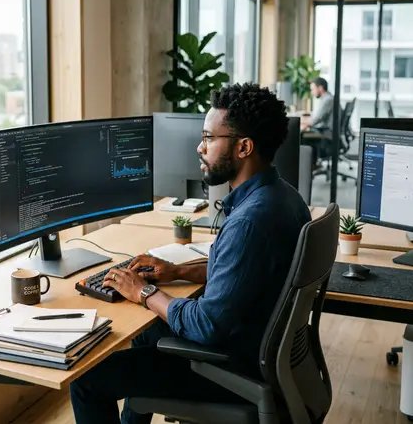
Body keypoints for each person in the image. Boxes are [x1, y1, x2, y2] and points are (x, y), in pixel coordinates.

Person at [69, 82, 312, 424]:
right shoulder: (284, 198)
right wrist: (179, 272)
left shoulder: (249, 222)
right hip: (265, 353)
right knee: (147, 333)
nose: (200, 147)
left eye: (210, 138)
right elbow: (244, 272)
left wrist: (144, 291)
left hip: (232, 368)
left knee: (87, 379)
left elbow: (206, 325)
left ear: (244, 147)